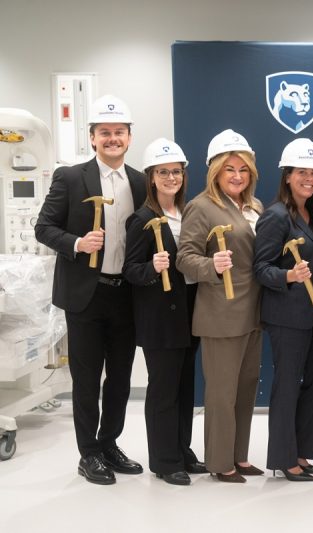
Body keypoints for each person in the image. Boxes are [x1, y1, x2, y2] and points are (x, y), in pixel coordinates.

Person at [35, 95, 146, 485]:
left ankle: (110, 443)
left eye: (119, 132)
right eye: (105, 133)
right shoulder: (69, 177)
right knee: (86, 377)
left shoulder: (140, 181)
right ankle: (89, 454)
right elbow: (43, 227)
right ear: (92, 137)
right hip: (86, 294)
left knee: (120, 377)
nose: (112, 138)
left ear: (129, 137)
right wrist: (78, 244)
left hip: (126, 293)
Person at [176, 129, 264, 483]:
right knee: (221, 395)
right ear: (215, 170)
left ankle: (239, 457)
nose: (238, 176)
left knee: (246, 391)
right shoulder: (200, 206)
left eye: (244, 169)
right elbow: (184, 258)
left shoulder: (253, 207)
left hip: (253, 313)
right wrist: (211, 267)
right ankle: (218, 462)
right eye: (230, 169)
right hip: (221, 315)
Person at [122, 138, 206, 486]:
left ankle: (181, 449)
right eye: (163, 172)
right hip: (160, 318)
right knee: (163, 389)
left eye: (176, 171)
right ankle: (163, 459)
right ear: (151, 178)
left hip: (189, 311)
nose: (171, 177)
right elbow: (130, 270)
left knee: (186, 387)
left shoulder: (188, 214)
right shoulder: (142, 219)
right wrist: (152, 268)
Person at [253, 138, 313, 482]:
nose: (308, 178)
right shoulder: (276, 216)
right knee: (287, 384)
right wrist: (289, 274)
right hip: (287, 317)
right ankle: (284, 458)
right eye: (302, 172)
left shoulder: (312, 215)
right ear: (287, 176)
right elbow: (260, 268)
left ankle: (301, 451)